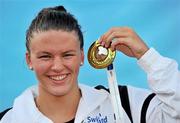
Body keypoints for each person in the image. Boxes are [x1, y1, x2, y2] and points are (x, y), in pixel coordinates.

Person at [0, 5, 180, 123]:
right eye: (45, 56)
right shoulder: (9, 119)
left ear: (81, 56)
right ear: (29, 60)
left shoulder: (126, 103)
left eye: (67, 55)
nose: (57, 66)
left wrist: (147, 57)